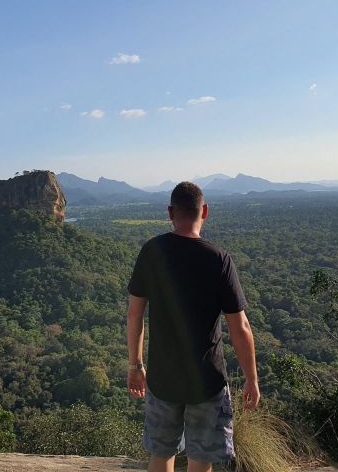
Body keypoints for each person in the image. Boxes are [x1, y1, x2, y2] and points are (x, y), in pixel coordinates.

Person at [126, 181, 259, 472]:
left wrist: (135, 366)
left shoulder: (152, 252)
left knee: (160, 457)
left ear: (170, 212)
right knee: (201, 461)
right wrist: (251, 378)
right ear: (205, 212)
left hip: (162, 380)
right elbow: (241, 328)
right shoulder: (219, 259)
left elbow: (135, 315)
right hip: (206, 381)